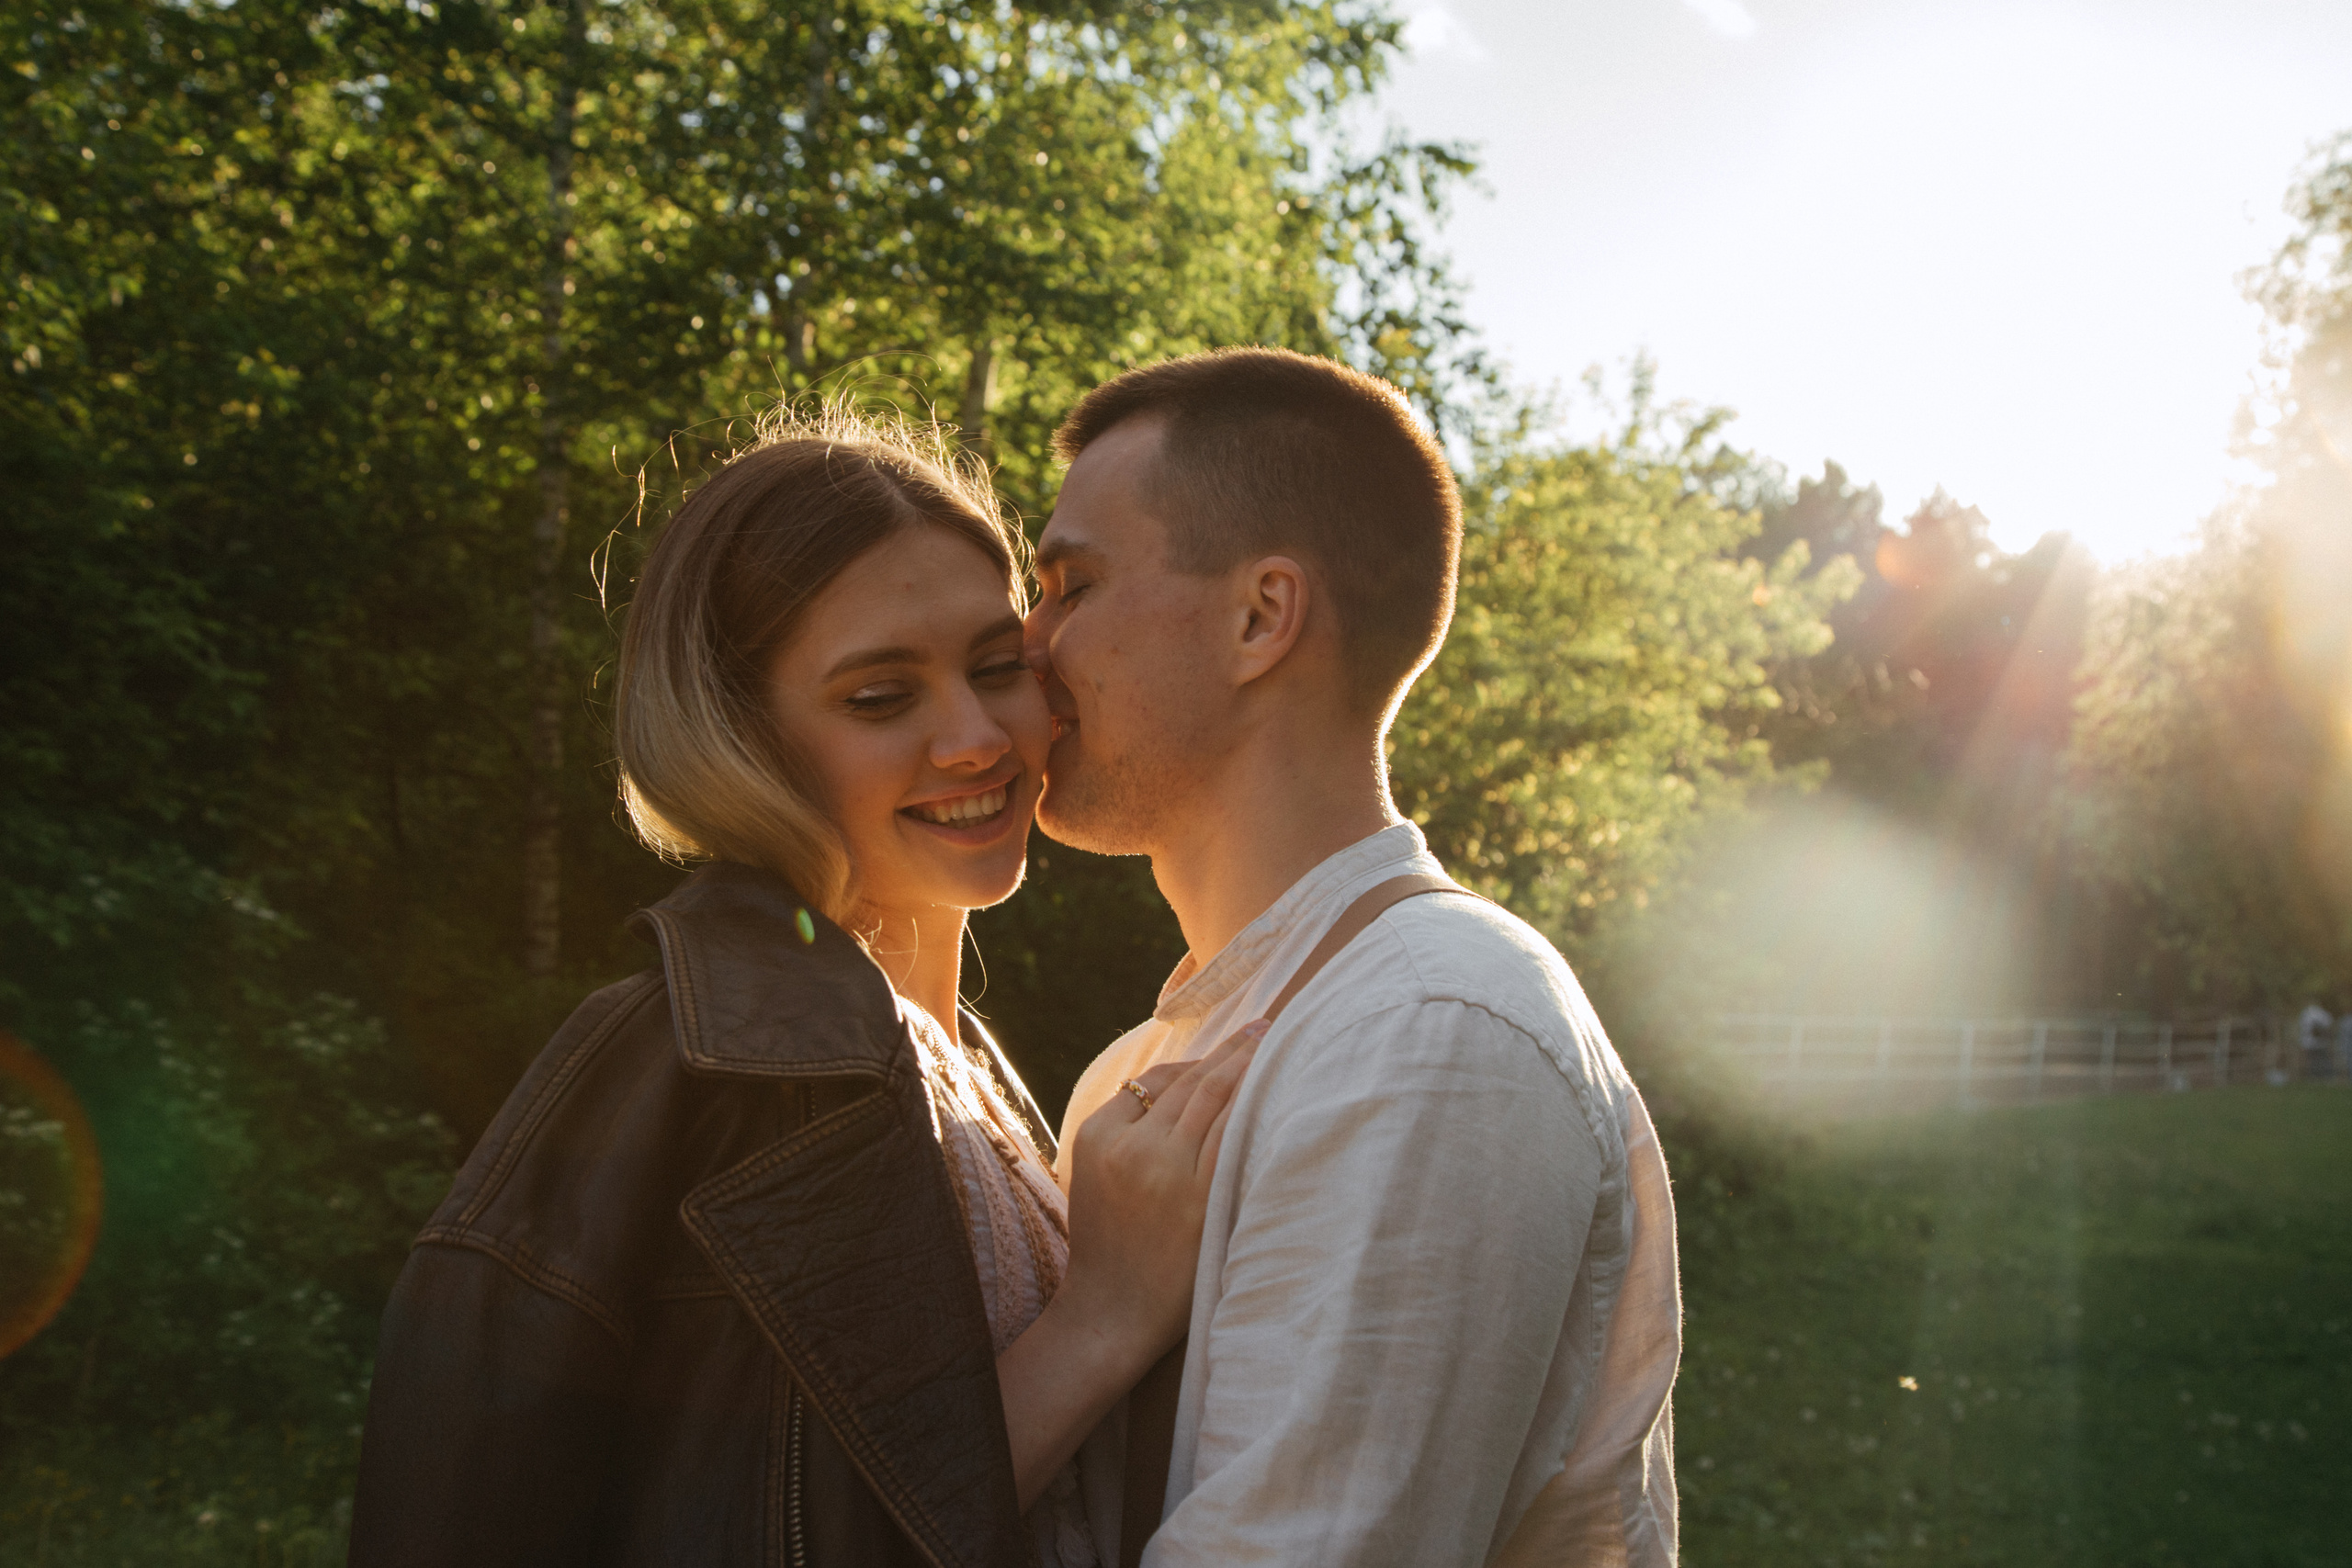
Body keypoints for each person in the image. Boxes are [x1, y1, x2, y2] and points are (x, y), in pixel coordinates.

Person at [349, 411, 1261, 1567]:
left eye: (996, 667)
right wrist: (1101, 1321)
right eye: (881, 698)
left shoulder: (964, 1066)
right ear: (742, 738)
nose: (977, 737)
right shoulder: (688, 1063)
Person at [1023, 347, 1682, 1566]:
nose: (1027, 640)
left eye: (1072, 583)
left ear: (1261, 616)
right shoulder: (1138, 1075)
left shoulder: (1433, 1028)